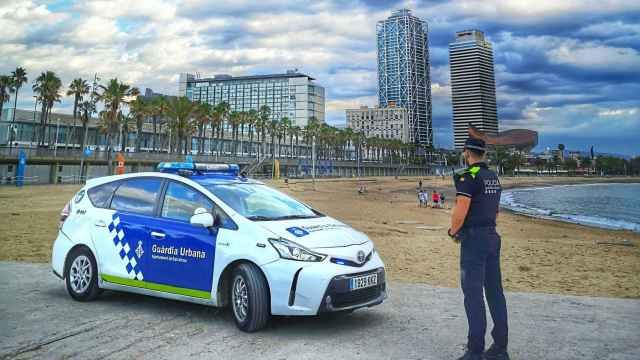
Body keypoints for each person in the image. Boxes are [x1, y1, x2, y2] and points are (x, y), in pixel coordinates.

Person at [448, 137, 509, 360]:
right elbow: (496, 211)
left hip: (474, 239)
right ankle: (500, 348)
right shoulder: (493, 177)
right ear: (483, 154)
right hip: (493, 236)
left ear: (466, 153)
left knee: (473, 295)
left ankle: (475, 351)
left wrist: (453, 231)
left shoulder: (467, 176)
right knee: (495, 293)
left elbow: (460, 210)